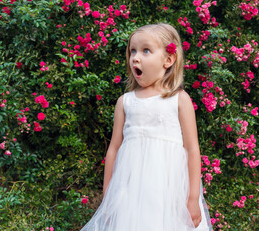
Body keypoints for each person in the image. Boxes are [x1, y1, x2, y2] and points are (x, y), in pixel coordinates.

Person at [81, 23, 213, 231]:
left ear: (168, 60)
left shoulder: (179, 99)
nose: (135, 57)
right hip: (130, 193)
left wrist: (193, 198)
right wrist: (108, 198)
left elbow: (192, 149)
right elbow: (114, 149)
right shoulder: (125, 102)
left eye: (145, 51)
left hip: (168, 193)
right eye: (132, 50)